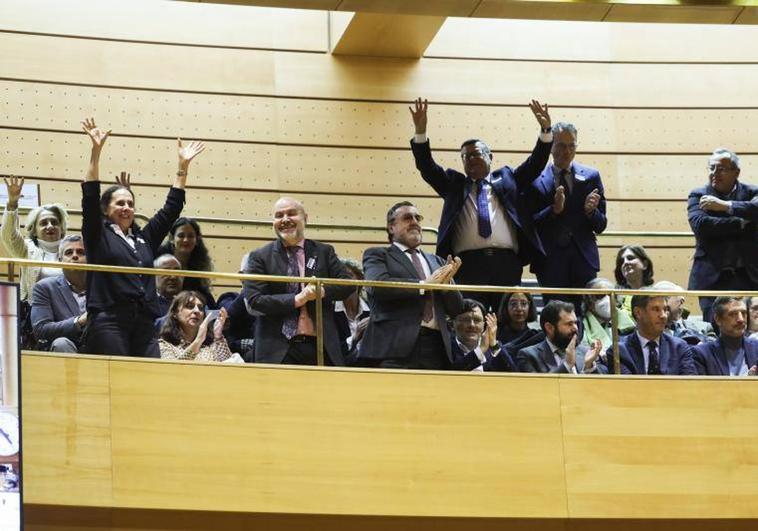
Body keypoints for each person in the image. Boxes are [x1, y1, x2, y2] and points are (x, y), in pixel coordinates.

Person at [408, 98, 553, 311]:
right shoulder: (454, 185)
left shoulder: (507, 178)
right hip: (467, 264)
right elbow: (427, 168)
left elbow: (536, 164)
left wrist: (545, 130)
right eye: (465, 157)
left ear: (490, 157)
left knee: (507, 318)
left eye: (476, 154)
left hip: (507, 262)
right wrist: (420, 133)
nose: (470, 159)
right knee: (471, 315)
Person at [80, 117, 205, 357]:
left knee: (145, 382)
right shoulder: (98, 235)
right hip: (109, 320)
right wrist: (96, 152)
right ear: (106, 210)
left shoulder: (143, 238)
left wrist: (183, 168)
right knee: (117, 380)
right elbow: (90, 195)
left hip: (144, 322)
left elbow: (171, 210)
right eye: (120, 203)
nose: (127, 207)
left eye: (130, 203)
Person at [243, 197, 354, 366]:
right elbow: (255, 300)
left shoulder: (324, 251)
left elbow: (347, 284)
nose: (285, 219)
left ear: (305, 218)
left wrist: (321, 291)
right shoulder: (259, 257)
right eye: (279, 215)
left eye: (291, 213)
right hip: (276, 350)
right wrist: (297, 299)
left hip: (321, 347)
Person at [359, 201, 464, 369]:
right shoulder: (378, 254)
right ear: (391, 227)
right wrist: (424, 285)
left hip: (436, 347)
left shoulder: (437, 261)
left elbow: (457, 308)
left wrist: (446, 287)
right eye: (407, 218)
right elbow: (377, 286)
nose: (415, 222)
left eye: (418, 218)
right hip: (393, 347)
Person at [527, 122, 606, 311]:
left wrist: (590, 212)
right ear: (551, 146)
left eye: (572, 146)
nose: (567, 151)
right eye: (561, 145)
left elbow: (601, 224)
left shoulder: (591, 176)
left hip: (583, 259)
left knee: (586, 315)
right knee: (556, 316)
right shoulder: (535, 178)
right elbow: (529, 224)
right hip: (550, 261)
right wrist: (553, 210)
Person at [687, 148, 758, 322]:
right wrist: (742, 222)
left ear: (736, 172)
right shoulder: (698, 194)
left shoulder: (752, 192)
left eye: (721, 169)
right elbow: (702, 226)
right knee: (714, 330)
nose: (714, 173)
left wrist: (726, 206)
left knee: (751, 328)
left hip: (749, 275)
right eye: (711, 168)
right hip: (712, 277)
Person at [604, 293, 697, 375]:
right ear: (638, 313)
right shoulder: (619, 351)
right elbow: (627, 389)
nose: (663, 315)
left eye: (665, 310)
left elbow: (689, 386)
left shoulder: (679, 347)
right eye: (656, 309)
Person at [30, 235, 87, 352]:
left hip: (97, 345)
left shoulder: (102, 287)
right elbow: (40, 330)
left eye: (81, 252)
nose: (75, 256)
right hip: (64, 348)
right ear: (60, 260)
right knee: (61, 343)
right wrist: (79, 321)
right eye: (69, 252)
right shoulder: (44, 287)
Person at [516, 300, 604, 374]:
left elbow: (602, 389)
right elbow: (539, 389)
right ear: (549, 328)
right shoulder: (528, 356)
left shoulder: (586, 352)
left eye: (575, 323)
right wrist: (567, 365)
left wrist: (589, 366)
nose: (575, 328)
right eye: (569, 324)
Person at [157, 217, 216, 308]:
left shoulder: (199, 263)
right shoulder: (158, 257)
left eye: (191, 236)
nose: (186, 240)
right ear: (172, 238)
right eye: (181, 235)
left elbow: (203, 294)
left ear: (197, 240)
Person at [158, 291, 232, 362]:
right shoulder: (164, 345)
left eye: (200, 308)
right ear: (175, 313)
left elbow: (230, 369)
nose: (197, 311)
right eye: (190, 306)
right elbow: (173, 370)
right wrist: (198, 341)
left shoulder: (212, 345)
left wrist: (218, 336)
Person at [692, 296, 758, 376]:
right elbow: (700, 388)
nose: (741, 319)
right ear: (718, 319)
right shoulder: (702, 354)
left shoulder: (756, 347)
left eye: (743, 313)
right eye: (733, 314)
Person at [450, 298, 516, 372]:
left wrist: (493, 345)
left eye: (477, 320)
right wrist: (480, 350)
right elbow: (451, 372)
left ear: (484, 325)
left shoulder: (494, 347)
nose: (472, 325)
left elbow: (513, 375)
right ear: (452, 324)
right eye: (466, 320)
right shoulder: (446, 348)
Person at [581, 278, 635, 352]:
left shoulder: (630, 326)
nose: (607, 300)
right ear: (588, 301)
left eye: (612, 296)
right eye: (600, 296)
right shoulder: (581, 327)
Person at [333, 259, 370, 361]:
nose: (345, 281)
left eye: (349, 275)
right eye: (341, 277)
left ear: (360, 279)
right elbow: (332, 351)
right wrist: (355, 336)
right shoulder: (330, 311)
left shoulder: (372, 309)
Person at [613, 245, 655, 315]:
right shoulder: (613, 295)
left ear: (645, 264)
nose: (625, 262)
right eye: (622, 261)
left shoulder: (656, 294)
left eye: (630, 258)